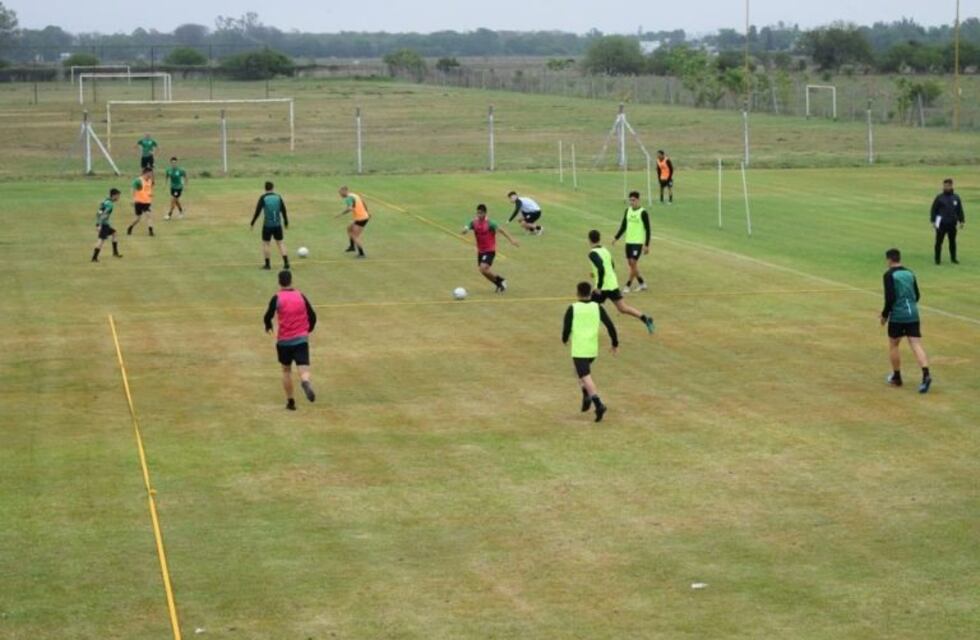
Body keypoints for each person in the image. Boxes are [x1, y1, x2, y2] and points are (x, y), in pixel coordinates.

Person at [562, 281, 619, 422]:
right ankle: (586, 394)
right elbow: (610, 326)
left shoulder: (573, 308)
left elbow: (566, 327)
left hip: (580, 349)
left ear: (577, 293)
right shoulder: (597, 307)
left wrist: (564, 339)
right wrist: (614, 342)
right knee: (578, 373)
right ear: (590, 293)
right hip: (592, 349)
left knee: (585, 377)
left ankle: (598, 404)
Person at [263, 270, 317, 411]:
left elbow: (268, 315)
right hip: (301, 339)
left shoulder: (277, 297)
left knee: (286, 370)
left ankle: (290, 401)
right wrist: (308, 329)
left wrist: (268, 325)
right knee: (303, 366)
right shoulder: (300, 296)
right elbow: (312, 315)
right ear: (291, 280)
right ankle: (305, 382)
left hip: (284, 341)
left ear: (279, 282)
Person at [880, 248, 932, 393]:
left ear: (889, 260)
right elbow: (917, 295)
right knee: (916, 343)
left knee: (894, 344)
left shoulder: (889, 275)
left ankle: (897, 377)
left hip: (898, 315)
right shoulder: (910, 273)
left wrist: (884, 315)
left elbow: (889, 298)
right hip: (913, 314)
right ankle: (926, 374)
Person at [588, 230, 655, 334]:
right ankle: (645, 318)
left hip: (604, 287)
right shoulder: (605, 250)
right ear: (599, 239)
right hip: (613, 284)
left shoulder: (592, 253)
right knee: (623, 308)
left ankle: (590, 331)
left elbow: (601, 268)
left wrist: (599, 287)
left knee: (592, 307)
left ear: (589, 240)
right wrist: (594, 273)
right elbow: (611, 266)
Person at [461, 204, 519, 293]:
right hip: (480, 250)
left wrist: (512, 240)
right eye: (477, 213)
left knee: (483, 268)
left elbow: (501, 230)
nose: (479, 215)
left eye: (480, 213)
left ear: (485, 213)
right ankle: (499, 284)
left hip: (489, 250)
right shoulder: (474, 222)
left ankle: (501, 280)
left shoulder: (491, 223)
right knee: (483, 271)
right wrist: (465, 230)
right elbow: (467, 226)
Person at [611, 190, 651, 293]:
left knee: (633, 262)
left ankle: (627, 285)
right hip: (628, 241)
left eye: (633, 200)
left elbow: (648, 229)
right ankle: (642, 283)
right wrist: (616, 237)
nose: (631, 202)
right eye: (630, 200)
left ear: (638, 200)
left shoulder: (643, 213)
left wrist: (646, 245)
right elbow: (623, 226)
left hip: (637, 242)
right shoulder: (627, 211)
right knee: (631, 264)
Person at [250, 181, 290, 271]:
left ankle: (267, 265)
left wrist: (253, 222)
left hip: (267, 226)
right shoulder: (278, 197)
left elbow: (258, 211)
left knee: (266, 244)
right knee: (280, 243)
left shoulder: (263, 198)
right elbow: (283, 210)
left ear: (265, 188)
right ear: (273, 188)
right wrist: (286, 222)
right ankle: (286, 263)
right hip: (277, 225)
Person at [930, 178, 966, 265]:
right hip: (941, 224)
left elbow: (959, 210)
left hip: (952, 224)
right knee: (939, 242)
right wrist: (933, 221)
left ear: (951, 186)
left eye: (947, 186)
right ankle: (937, 259)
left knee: (952, 242)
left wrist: (961, 221)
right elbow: (933, 209)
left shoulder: (956, 198)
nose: (945, 187)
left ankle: (953, 258)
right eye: (944, 186)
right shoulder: (939, 198)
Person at [337, 186, 370, 258]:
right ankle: (352, 247)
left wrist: (341, 214)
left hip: (361, 218)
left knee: (355, 236)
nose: (340, 195)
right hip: (362, 217)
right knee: (349, 228)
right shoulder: (354, 195)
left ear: (345, 191)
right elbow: (363, 202)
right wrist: (367, 212)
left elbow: (350, 208)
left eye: (340, 193)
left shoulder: (348, 198)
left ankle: (361, 254)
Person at [91, 188, 123, 262]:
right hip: (104, 224)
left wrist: (98, 222)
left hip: (105, 224)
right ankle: (94, 258)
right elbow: (104, 214)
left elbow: (98, 213)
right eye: (118, 196)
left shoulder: (105, 201)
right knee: (101, 240)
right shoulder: (110, 205)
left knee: (114, 233)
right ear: (114, 195)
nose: (118, 198)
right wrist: (99, 225)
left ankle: (115, 253)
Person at [126, 166, 155, 237]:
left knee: (149, 215)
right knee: (138, 218)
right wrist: (132, 199)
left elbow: (148, 189)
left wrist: (150, 194)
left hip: (147, 202)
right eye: (150, 173)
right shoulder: (138, 181)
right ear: (146, 173)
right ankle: (130, 227)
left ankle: (151, 231)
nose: (151, 175)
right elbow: (133, 189)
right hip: (139, 202)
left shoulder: (150, 181)